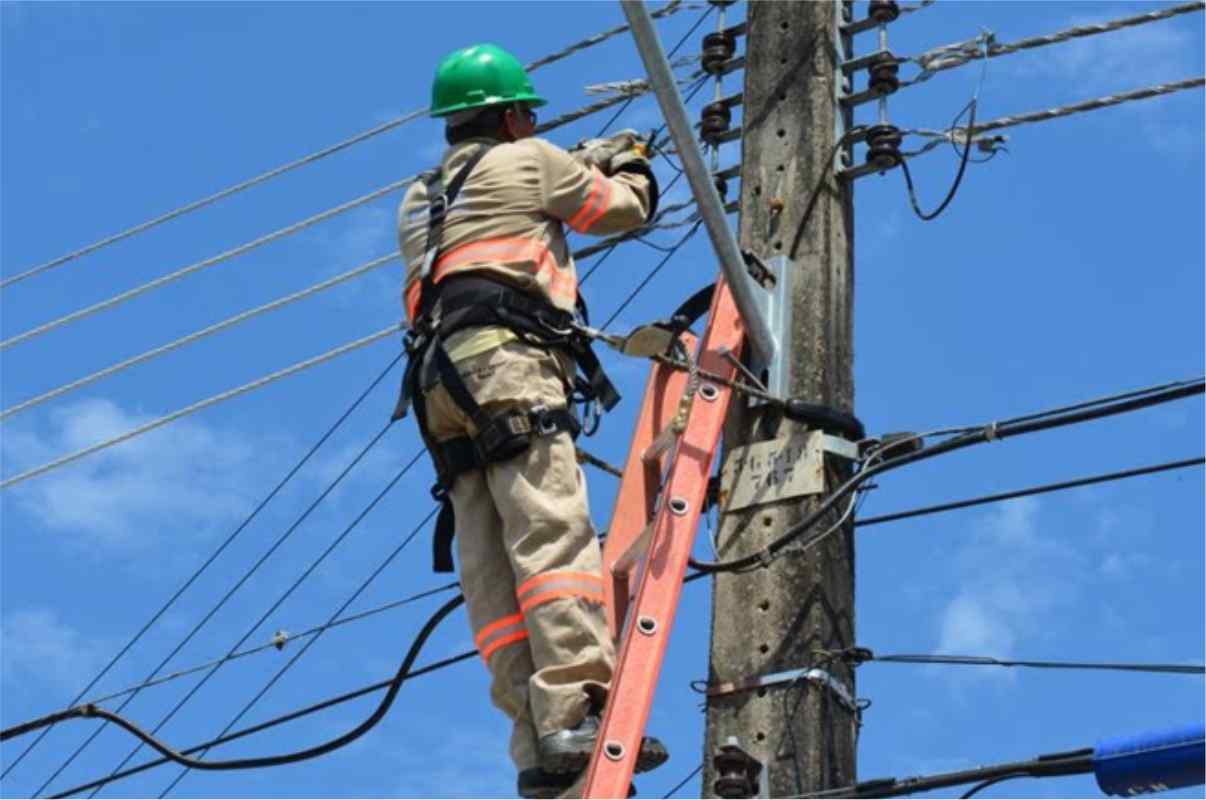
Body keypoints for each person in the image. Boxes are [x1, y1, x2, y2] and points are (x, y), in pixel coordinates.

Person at [391, 43, 666, 798]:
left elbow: (501, 193)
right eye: (528, 113)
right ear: (513, 113)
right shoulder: (535, 159)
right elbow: (619, 210)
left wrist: (578, 156)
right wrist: (632, 159)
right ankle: (576, 709)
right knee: (550, 535)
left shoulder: (419, 200)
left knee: (492, 571)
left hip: (438, 386)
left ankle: (536, 751)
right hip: (509, 367)